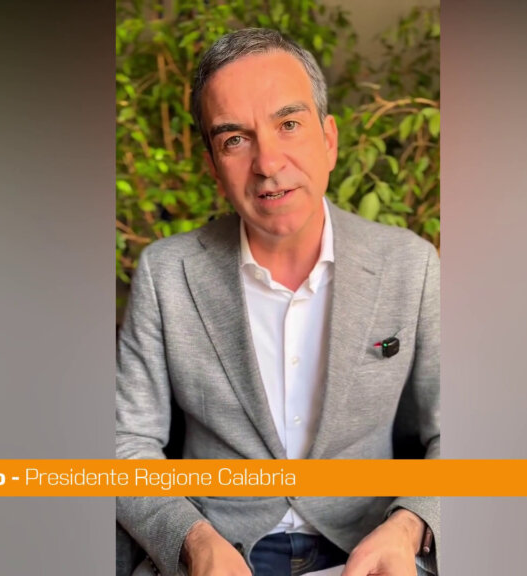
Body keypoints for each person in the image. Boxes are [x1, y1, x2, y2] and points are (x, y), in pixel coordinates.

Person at [116, 28, 440, 576]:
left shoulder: (412, 266)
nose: (267, 163)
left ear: (329, 140)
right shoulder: (165, 273)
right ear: (213, 164)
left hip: (372, 547)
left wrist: (408, 527)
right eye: (234, 139)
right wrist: (192, 542)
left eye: (288, 124)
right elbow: (127, 442)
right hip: (217, 549)